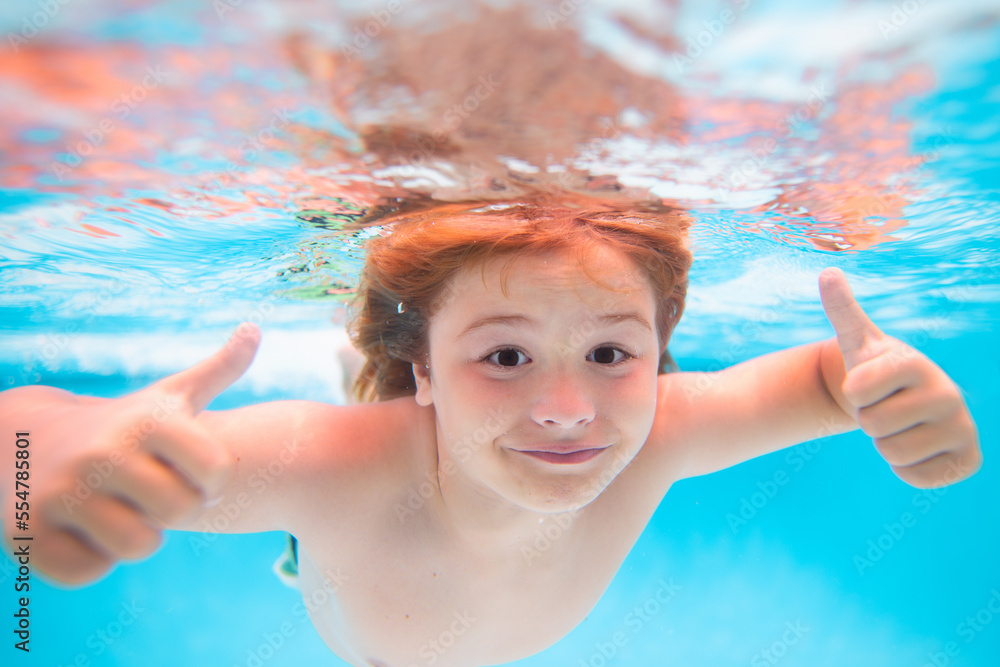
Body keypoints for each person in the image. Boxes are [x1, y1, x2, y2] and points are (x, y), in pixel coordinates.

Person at [0, 195, 981, 667]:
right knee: (355, 396)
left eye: (610, 354)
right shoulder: (339, 468)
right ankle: (368, 363)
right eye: (505, 356)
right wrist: (41, 465)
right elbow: (25, 428)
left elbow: (824, 377)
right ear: (426, 366)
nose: (567, 408)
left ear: (659, 349)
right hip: (364, 508)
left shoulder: (660, 429)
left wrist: (889, 388)